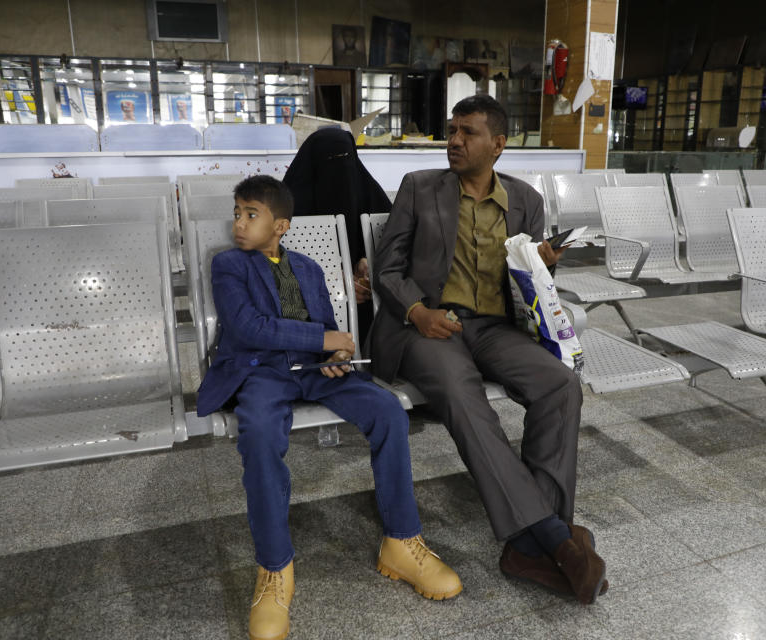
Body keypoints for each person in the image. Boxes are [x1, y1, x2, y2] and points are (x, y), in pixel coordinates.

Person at [196, 175, 461, 640]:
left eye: (250, 214)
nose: (239, 223)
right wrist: (325, 340)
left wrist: (337, 355)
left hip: (315, 370)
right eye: (236, 213)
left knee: (387, 410)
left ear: (280, 226)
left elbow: (330, 327)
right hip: (260, 372)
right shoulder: (228, 266)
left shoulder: (309, 267)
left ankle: (401, 541)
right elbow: (249, 327)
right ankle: (274, 568)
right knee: (258, 433)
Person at [370, 95, 608, 605]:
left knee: (560, 384)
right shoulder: (419, 188)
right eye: (451, 130)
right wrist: (417, 312)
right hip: (431, 326)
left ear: (498, 145)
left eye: (467, 132)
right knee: (461, 392)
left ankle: (531, 540)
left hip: (497, 327)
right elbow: (387, 270)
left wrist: (542, 266)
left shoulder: (525, 200)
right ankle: (554, 538)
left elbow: (529, 287)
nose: (454, 140)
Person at [282, 127, 393, 339]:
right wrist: (333, 280)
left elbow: (396, 243)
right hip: (307, 307)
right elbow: (277, 266)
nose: (339, 173)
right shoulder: (286, 210)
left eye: (345, 159)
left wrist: (369, 264)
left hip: (368, 307)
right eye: (330, 160)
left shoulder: (371, 195)